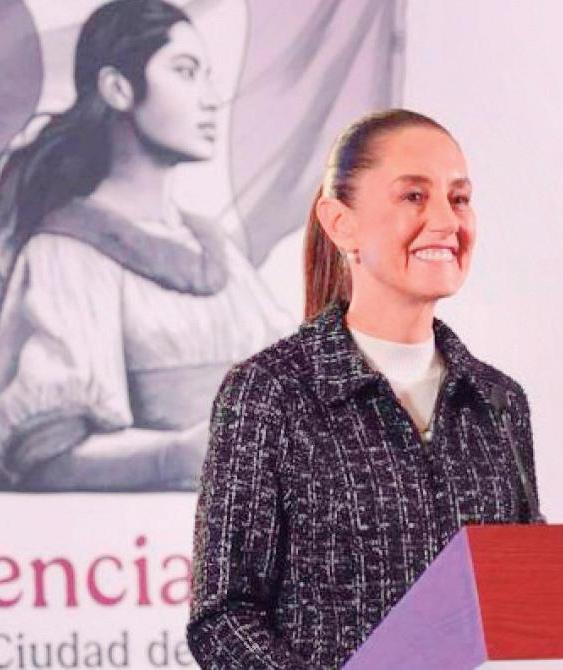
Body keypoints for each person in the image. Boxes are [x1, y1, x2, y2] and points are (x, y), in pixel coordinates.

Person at [187, 109, 542, 669]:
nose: (446, 220)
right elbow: (223, 619)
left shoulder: (497, 401)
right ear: (340, 223)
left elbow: (526, 600)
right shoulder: (270, 392)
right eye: (413, 196)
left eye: (459, 198)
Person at [0, 0, 291, 492]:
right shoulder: (67, 254)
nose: (211, 99)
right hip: (135, 536)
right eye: (185, 72)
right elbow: (46, 456)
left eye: (208, 76)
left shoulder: (218, 251)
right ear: (118, 88)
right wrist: (182, 453)